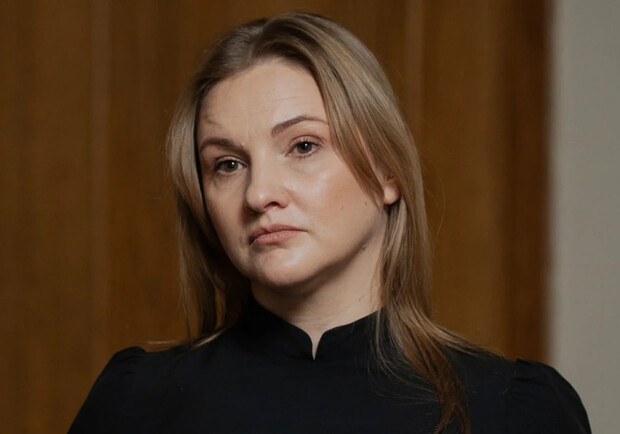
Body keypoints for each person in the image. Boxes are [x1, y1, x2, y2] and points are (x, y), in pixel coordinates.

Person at [69, 11, 590, 434]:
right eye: (227, 164)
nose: (259, 194)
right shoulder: (135, 403)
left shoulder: (515, 411)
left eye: (303, 146)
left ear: (387, 171)